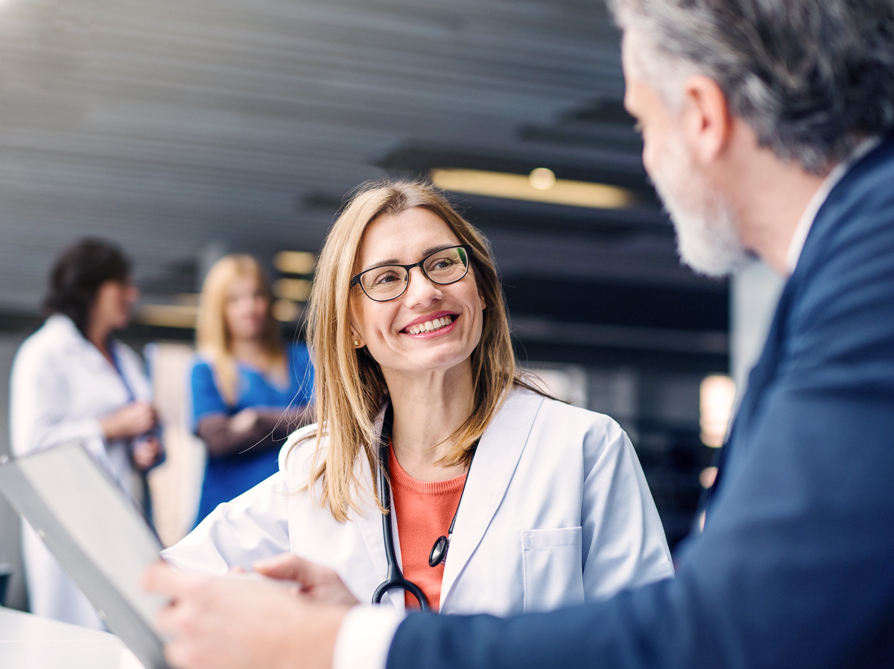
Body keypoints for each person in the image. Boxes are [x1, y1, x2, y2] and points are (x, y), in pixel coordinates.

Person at [144, 0, 894, 669]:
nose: (649, 154)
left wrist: (328, 653)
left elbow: (714, 653)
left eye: (641, 120)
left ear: (702, 115)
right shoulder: (889, 233)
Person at [161, 181, 672, 620]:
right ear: (353, 326)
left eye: (443, 263)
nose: (424, 291)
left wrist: (369, 640)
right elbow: (164, 585)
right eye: (386, 278)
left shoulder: (585, 447)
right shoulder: (316, 467)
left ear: (483, 290)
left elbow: (650, 652)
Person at [11, 237, 162, 628]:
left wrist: (143, 449)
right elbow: (31, 445)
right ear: (89, 288)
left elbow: (136, 430)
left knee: (129, 630)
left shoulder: (125, 358)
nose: (133, 294)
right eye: (122, 285)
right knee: (72, 635)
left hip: (122, 511)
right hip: (69, 515)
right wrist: (111, 427)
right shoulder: (44, 352)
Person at [189, 255, 314, 525]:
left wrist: (255, 420)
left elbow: (329, 419)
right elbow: (219, 440)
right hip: (229, 512)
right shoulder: (205, 369)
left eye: (257, 295)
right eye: (235, 300)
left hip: (294, 509)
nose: (250, 307)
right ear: (219, 309)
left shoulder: (302, 359)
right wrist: (295, 422)